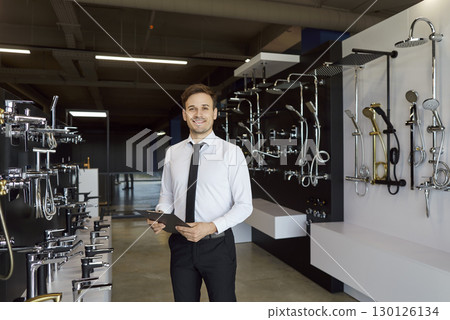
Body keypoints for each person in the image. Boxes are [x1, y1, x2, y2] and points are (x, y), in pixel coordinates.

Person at [147, 84, 252, 302]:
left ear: (214, 113)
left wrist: (210, 226)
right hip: (180, 245)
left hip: (218, 246)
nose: (198, 114)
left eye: (205, 108)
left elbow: (244, 205)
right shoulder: (172, 153)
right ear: (185, 115)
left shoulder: (231, 153)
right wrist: (160, 214)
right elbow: (167, 196)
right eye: (192, 109)